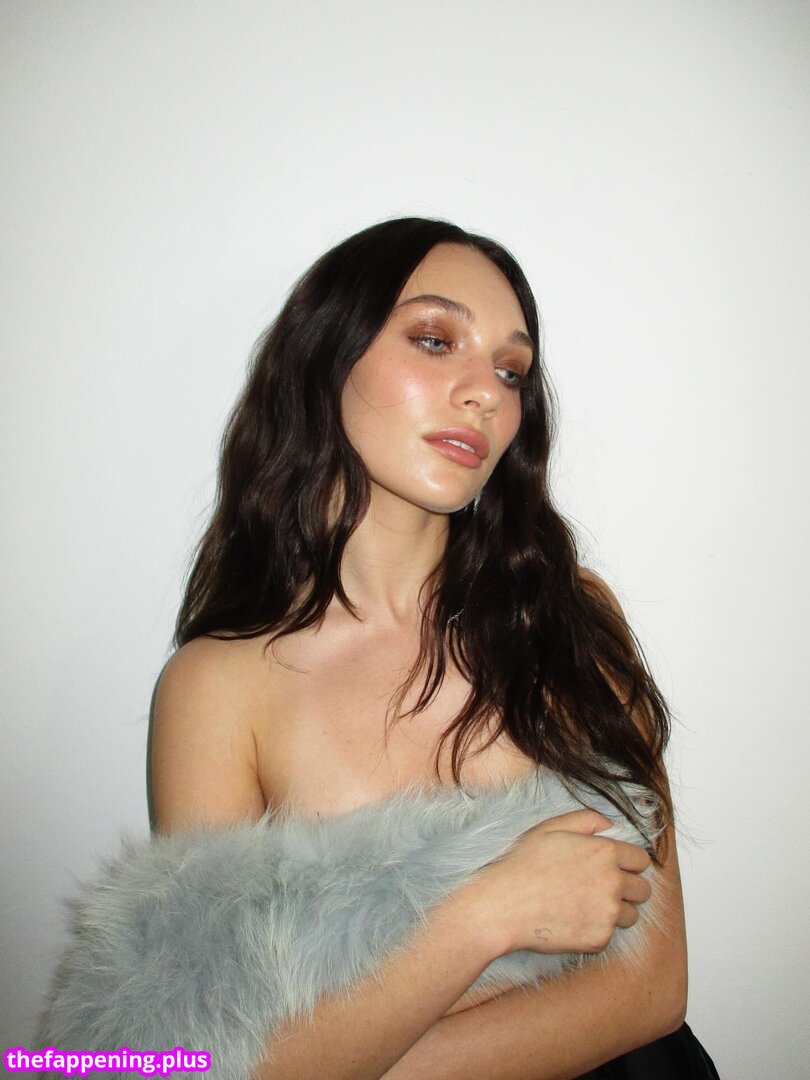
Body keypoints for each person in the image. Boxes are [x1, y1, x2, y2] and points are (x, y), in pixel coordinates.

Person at [148, 217, 720, 1078]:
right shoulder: (216, 687)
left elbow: (652, 989)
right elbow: (228, 1051)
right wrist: (487, 914)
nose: (486, 393)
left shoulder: (569, 616)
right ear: (326, 355)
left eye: (510, 371)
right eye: (434, 339)